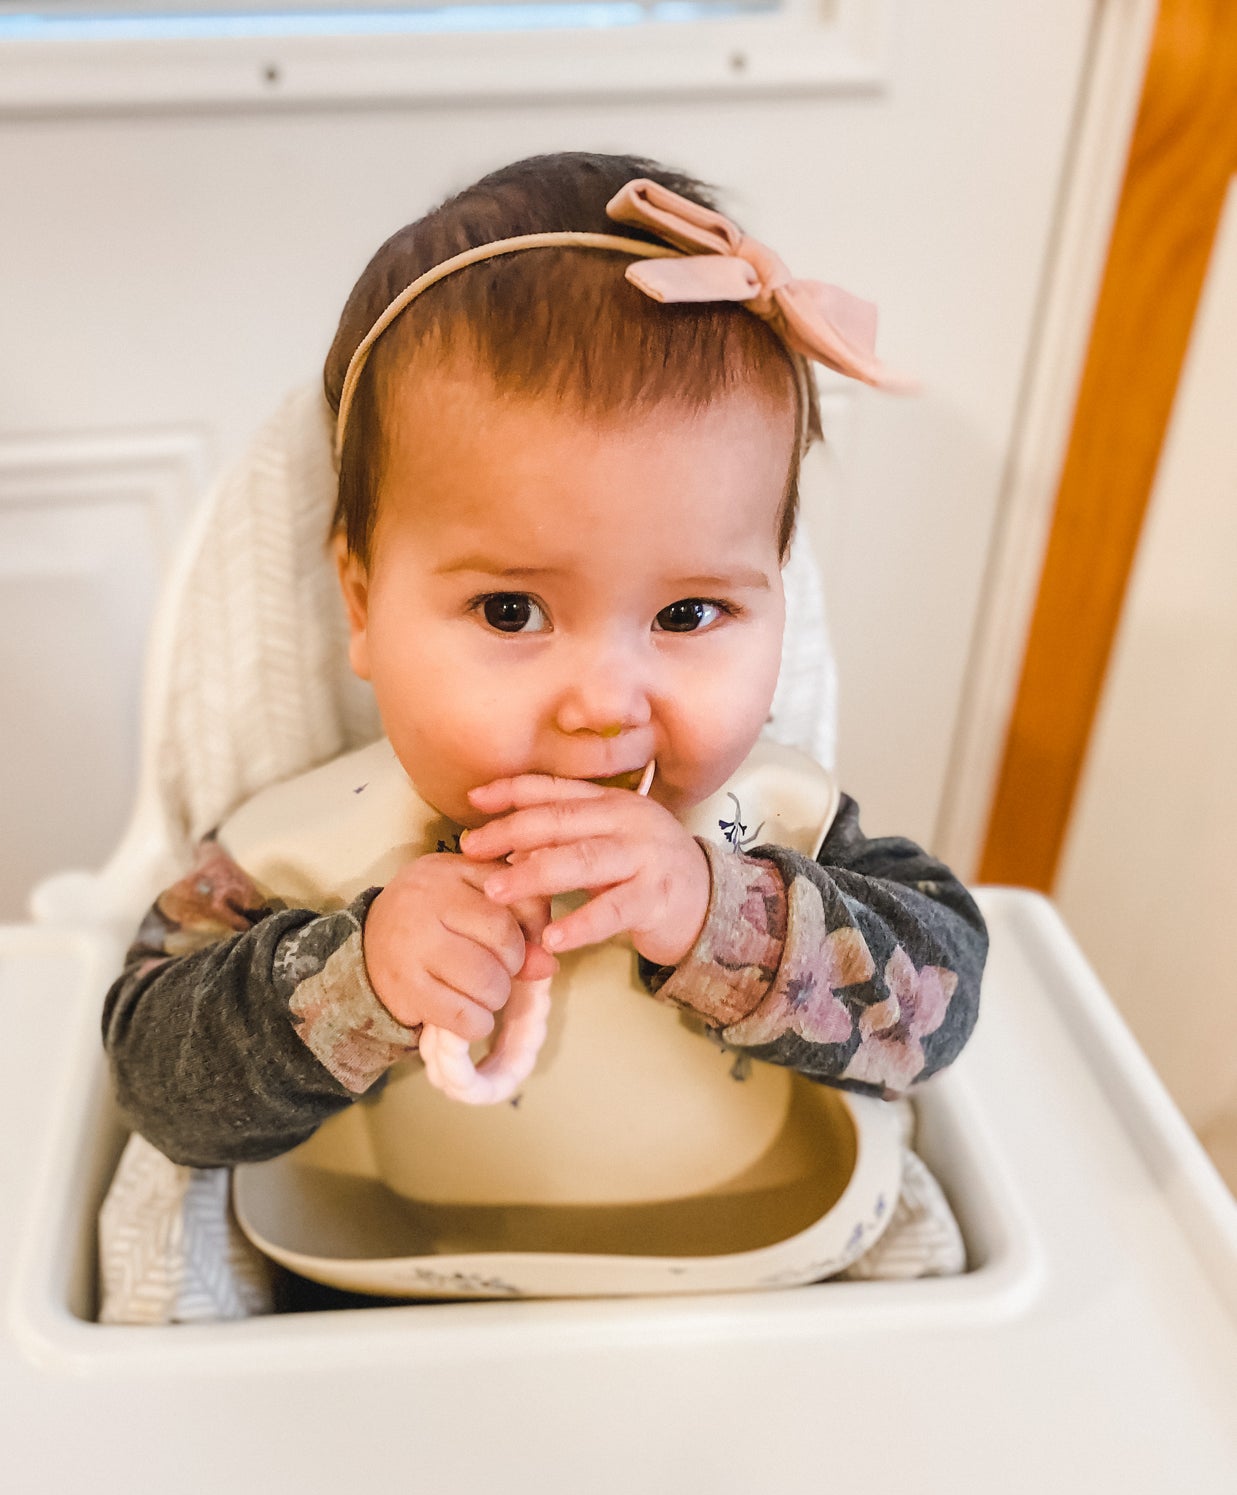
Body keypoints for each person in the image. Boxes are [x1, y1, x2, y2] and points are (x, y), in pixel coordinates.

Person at [101, 151, 987, 1207]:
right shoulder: (304, 850)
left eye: (687, 614)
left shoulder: (773, 826)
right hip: (388, 1284)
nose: (603, 704)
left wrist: (721, 913)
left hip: (754, 1264)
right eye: (510, 611)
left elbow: (940, 1004)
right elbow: (155, 1084)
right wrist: (358, 979)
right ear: (360, 604)